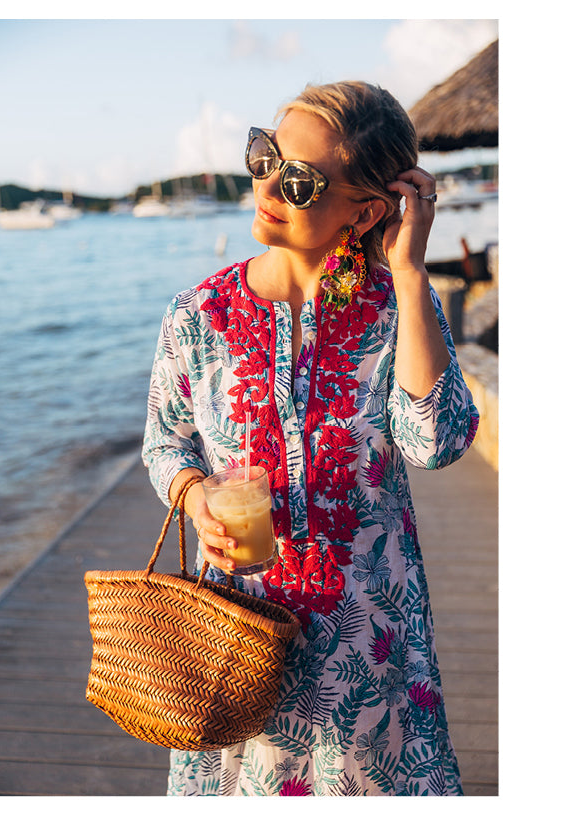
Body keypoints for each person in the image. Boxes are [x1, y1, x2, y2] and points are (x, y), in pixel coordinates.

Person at [142, 81, 480, 796]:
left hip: (369, 654)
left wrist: (412, 273)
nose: (268, 184)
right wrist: (196, 493)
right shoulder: (195, 316)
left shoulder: (397, 310)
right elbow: (166, 444)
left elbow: (438, 440)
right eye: (265, 156)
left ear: (365, 211)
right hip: (238, 641)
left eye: (299, 181)